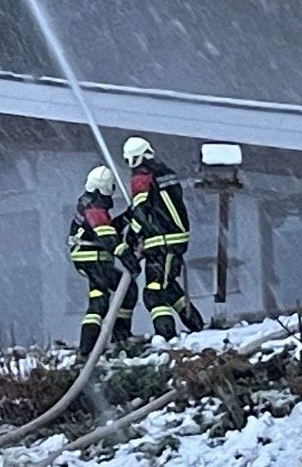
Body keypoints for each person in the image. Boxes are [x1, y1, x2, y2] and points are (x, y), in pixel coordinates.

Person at [122, 137, 204, 339]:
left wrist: (132, 235)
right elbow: (156, 205)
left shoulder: (141, 176)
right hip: (174, 237)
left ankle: (167, 337)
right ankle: (196, 325)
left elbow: (141, 211)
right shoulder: (164, 172)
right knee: (169, 287)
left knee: (154, 293)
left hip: (162, 241)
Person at [67, 165, 138, 360]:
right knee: (126, 290)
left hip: (87, 258)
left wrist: (127, 217)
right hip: (94, 258)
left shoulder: (89, 204)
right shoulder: (95, 208)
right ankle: (120, 336)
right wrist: (126, 256)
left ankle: (88, 347)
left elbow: (106, 229)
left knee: (98, 298)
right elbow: (107, 236)